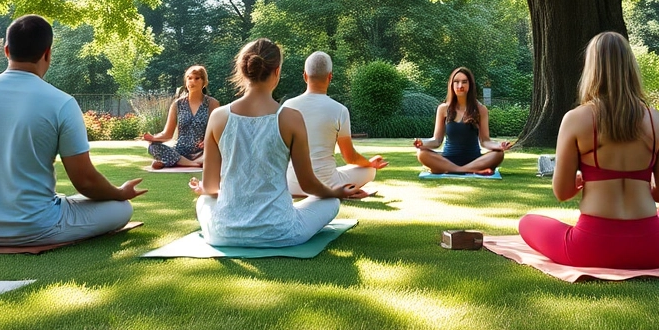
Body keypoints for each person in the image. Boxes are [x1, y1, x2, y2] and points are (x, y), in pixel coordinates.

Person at [0, 15, 145, 245]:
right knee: (121, 209)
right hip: (35, 229)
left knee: (66, 202)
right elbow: (85, 182)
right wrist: (120, 193)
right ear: (47, 53)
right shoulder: (62, 102)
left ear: (6, 51)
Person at [519, 31, 659, 269]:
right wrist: (646, 190)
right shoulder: (658, 122)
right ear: (631, 67)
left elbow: (562, 192)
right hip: (654, 251)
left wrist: (581, 181)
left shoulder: (576, 119)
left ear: (591, 69)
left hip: (591, 248)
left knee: (527, 222)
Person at [192, 38, 365, 247]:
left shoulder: (218, 117)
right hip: (280, 231)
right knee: (330, 202)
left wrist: (204, 189)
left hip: (223, 234)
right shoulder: (291, 118)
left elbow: (210, 187)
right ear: (277, 71)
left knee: (204, 199)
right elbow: (308, 184)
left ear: (243, 70)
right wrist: (337, 192)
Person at [283, 51, 388, 196]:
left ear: (305, 76)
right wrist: (370, 164)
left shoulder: (287, 106)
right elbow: (349, 156)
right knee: (370, 171)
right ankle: (347, 188)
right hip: (328, 184)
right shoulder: (340, 110)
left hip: (292, 184)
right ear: (330, 77)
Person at [414, 67, 512, 175]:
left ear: (470, 85)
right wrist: (422, 143)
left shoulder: (481, 109)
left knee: (499, 154)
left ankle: (453, 170)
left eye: (464, 82)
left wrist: (499, 146)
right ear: (451, 85)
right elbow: (437, 140)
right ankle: (462, 170)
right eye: (456, 82)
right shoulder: (443, 108)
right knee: (421, 153)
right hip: (448, 160)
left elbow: (485, 141)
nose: (460, 86)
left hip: (475, 161)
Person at [144, 65, 219, 169]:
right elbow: (167, 134)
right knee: (153, 147)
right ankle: (191, 163)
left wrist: (208, 140)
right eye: (189, 78)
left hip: (203, 152)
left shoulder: (212, 103)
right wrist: (154, 138)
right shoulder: (177, 104)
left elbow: (218, 131)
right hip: (180, 152)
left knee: (220, 150)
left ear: (204, 82)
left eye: (197, 78)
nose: (192, 81)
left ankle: (168, 162)